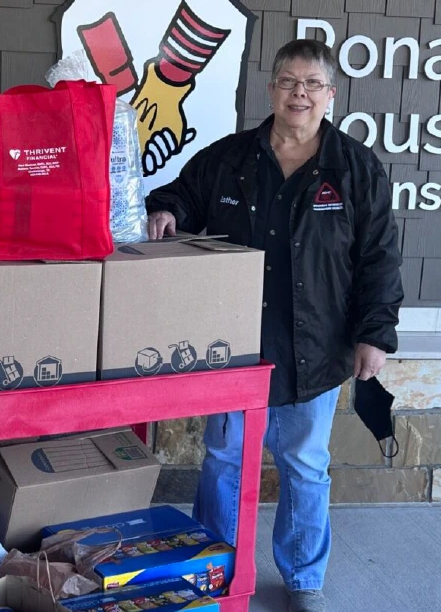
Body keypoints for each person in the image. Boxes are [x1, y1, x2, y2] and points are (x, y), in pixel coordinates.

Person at [144, 39, 403, 612]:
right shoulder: (230, 157)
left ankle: (304, 580)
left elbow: (379, 258)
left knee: (306, 465)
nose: (299, 94)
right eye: (289, 81)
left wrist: (374, 335)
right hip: (233, 345)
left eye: (312, 84)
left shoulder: (356, 168)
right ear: (272, 88)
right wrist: (166, 210)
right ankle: (213, 570)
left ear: (330, 95)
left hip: (316, 346)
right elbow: (180, 194)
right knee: (225, 459)